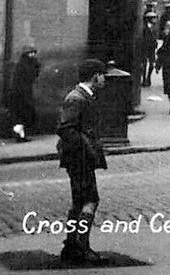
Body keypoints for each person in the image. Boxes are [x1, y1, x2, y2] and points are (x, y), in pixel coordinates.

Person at [57, 59, 109, 265]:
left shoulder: (83, 96)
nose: (104, 79)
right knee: (90, 199)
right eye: (102, 75)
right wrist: (86, 149)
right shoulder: (77, 98)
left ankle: (71, 245)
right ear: (95, 76)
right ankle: (81, 245)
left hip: (79, 157)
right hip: (79, 158)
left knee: (80, 200)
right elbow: (66, 129)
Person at [7, 46, 40, 141]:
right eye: (32, 53)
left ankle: (20, 134)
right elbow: (31, 76)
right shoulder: (26, 65)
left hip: (20, 94)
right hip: (23, 94)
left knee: (20, 115)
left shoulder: (21, 64)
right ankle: (20, 134)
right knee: (23, 114)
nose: (33, 55)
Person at [139, 10, 159, 86]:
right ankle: (144, 78)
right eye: (153, 18)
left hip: (152, 48)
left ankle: (148, 77)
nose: (155, 20)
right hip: (145, 47)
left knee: (151, 64)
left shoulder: (154, 27)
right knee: (144, 64)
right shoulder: (143, 28)